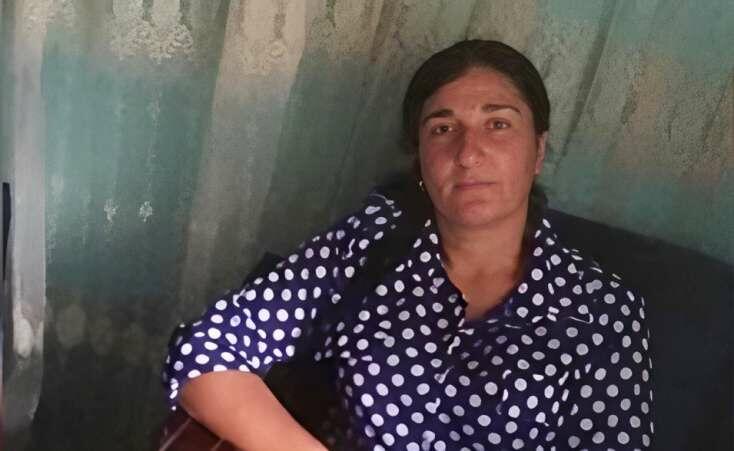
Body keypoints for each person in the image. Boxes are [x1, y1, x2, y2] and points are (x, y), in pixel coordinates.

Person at [163, 40, 654, 450]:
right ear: (420, 157)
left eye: (498, 124)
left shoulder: (602, 312)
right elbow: (204, 351)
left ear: (538, 150)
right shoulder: (373, 241)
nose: (468, 153)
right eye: (443, 129)